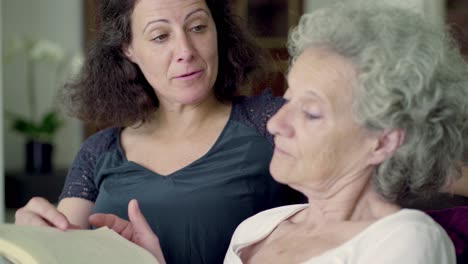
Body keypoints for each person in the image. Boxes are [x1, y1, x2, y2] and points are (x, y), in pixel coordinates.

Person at [94, 2, 468, 263]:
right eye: (287, 101)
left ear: (383, 140)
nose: (275, 123)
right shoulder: (257, 229)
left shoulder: (405, 238)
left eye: (310, 112)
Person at [14, 0, 302, 263]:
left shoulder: (271, 122)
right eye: (161, 36)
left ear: (218, 29)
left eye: (198, 27)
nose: (186, 51)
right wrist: (36, 238)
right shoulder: (98, 151)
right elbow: (64, 253)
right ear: (128, 49)